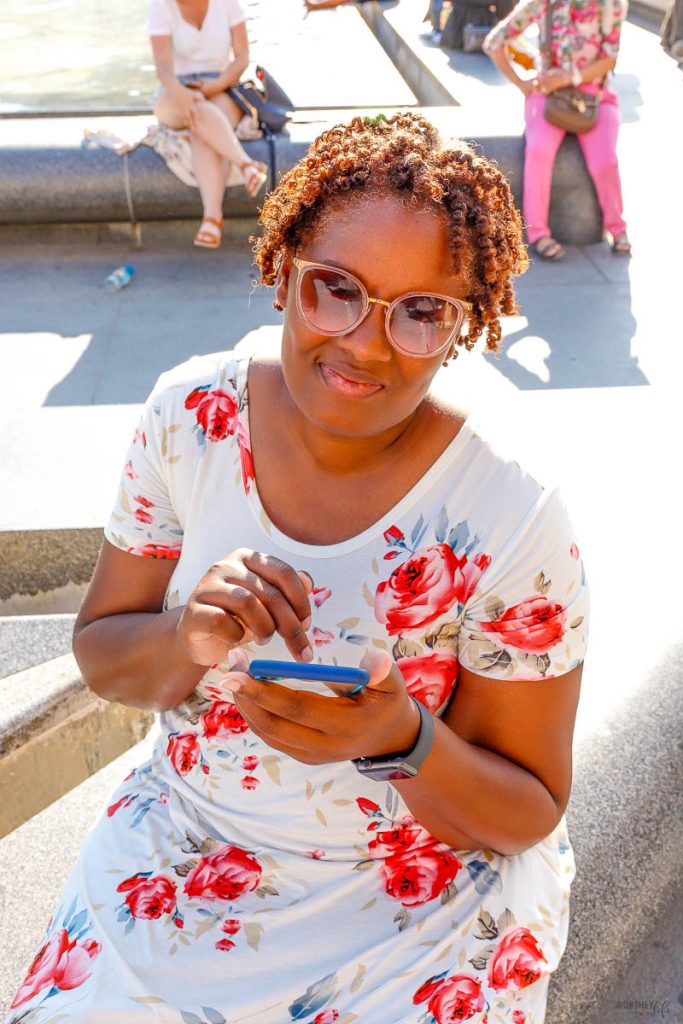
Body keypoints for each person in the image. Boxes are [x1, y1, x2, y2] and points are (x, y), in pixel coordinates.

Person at [5, 112, 589, 1024]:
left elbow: (527, 807)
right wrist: (185, 634)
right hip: (190, 842)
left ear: (463, 327)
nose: (365, 342)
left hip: (420, 894)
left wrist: (398, 737)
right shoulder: (190, 418)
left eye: (421, 312)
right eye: (335, 289)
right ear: (281, 269)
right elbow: (105, 654)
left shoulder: (509, 511)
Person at [483, 0, 631, 260]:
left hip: (594, 97)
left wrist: (565, 78)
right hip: (548, 95)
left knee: (605, 161)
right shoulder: (542, 3)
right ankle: (538, 233)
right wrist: (521, 83)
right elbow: (495, 43)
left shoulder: (613, 5)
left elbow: (609, 59)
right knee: (539, 151)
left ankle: (617, 227)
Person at [149, 0, 267, 249]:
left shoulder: (227, 3)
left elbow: (242, 56)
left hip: (222, 86)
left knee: (203, 126)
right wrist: (181, 93)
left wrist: (214, 86)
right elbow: (162, 66)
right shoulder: (161, 5)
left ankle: (212, 218)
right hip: (176, 89)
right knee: (199, 114)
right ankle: (246, 164)